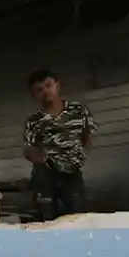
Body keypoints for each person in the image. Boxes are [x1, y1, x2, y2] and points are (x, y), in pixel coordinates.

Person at [22, 69, 97, 220]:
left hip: (72, 173)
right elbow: (28, 149)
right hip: (46, 176)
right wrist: (42, 160)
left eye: (48, 85)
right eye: (39, 90)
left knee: (78, 217)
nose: (45, 91)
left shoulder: (79, 110)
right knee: (46, 219)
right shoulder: (34, 120)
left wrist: (74, 156)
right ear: (34, 95)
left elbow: (87, 137)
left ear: (57, 85)